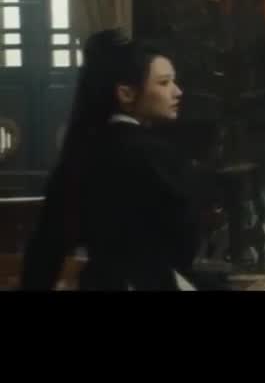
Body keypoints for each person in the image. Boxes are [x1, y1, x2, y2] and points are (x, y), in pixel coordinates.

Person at [21, 29, 201, 290]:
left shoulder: (81, 152)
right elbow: (184, 244)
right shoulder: (154, 155)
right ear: (126, 94)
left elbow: (47, 246)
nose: (177, 91)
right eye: (164, 83)